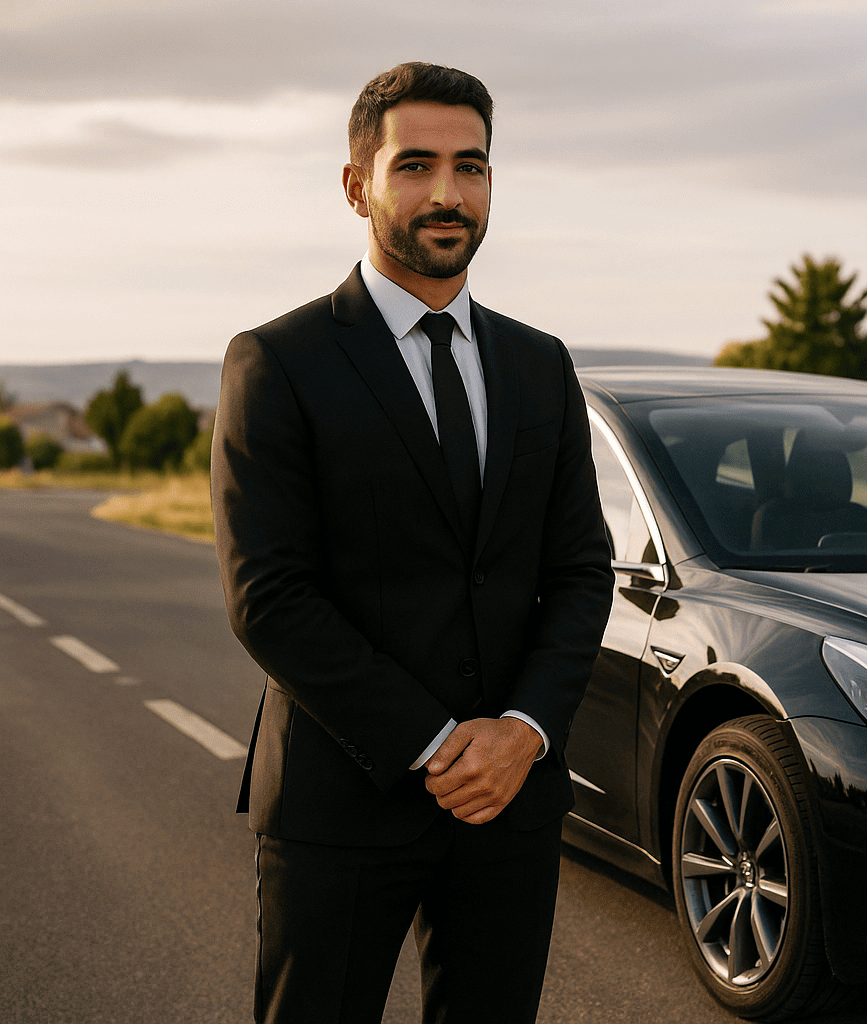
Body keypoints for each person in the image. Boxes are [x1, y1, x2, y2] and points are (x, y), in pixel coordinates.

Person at [211, 62, 613, 1023]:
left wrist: (521, 734)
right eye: (416, 165)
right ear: (357, 184)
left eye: (470, 167)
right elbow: (268, 594)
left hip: (510, 804)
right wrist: (436, 746)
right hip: (342, 801)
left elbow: (579, 570)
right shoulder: (278, 361)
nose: (447, 193)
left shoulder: (539, 364)